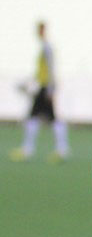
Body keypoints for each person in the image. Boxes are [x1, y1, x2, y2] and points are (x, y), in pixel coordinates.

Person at [9, 21, 70, 163]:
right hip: (43, 86)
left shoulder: (46, 48)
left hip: (45, 87)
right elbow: (40, 72)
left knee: (42, 118)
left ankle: (56, 149)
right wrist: (27, 82)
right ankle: (57, 149)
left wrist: (50, 89)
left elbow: (50, 68)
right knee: (38, 117)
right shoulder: (43, 47)